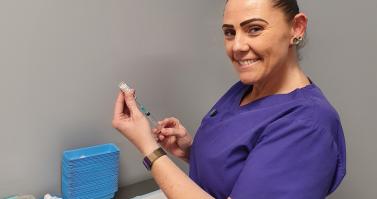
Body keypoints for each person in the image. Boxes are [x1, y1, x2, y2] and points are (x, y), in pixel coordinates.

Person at [112, 0, 346, 198]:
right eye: (229, 32)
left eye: (254, 29)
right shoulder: (245, 89)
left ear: (296, 27)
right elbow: (239, 171)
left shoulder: (307, 125)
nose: (237, 46)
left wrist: (149, 148)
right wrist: (190, 151)